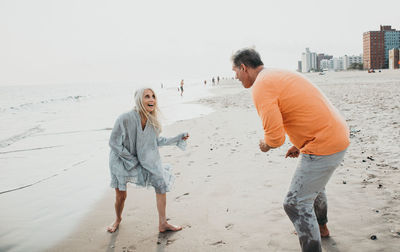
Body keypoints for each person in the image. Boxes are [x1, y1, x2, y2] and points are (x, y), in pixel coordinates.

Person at [231, 48, 349, 252]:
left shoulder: (261, 86)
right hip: (335, 134)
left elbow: (275, 139)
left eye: (235, 71)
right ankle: (321, 228)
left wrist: (265, 145)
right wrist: (299, 143)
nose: (235, 76)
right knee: (314, 189)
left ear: (244, 67)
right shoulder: (277, 74)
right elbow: (305, 108)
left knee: (294, 204)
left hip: (323, 143)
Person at [107, 88, 189, 233]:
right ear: (139, 99)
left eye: (153, 96)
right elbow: (114, 142)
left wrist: (177, 138)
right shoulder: (125, 118)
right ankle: (118, 219)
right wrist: (131, 160)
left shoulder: (152, 121)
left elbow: (156, 141)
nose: (151, 99)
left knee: (160, 182)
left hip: (142, 158)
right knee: (121, 196)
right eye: (147, 96)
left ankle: (163, 223)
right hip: (120, 160)